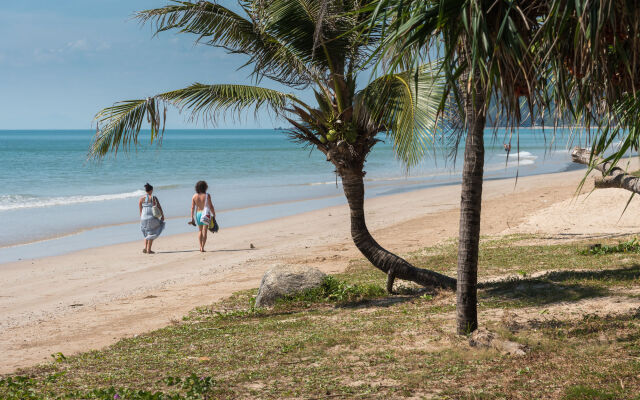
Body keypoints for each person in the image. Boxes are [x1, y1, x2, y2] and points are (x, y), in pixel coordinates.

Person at [139, 183, 165, 254]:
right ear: (151, 190)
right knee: (152, 232)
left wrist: (141, 218)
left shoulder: (141, 198)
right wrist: (162, 215)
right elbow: (159, 206)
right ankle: (149, 250)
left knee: (146, 233)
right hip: (151, 216)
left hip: (143, 217)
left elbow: (140, 210)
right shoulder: (153, 198)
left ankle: (145, 247)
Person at [190, 180, 215, 252]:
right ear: (205, 187)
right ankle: (202, 247)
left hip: (198, 214)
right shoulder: (207, 195)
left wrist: (192, 217)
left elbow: (192, 208)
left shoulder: (194, 196)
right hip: (206, 214)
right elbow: (211, 206)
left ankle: (200, 246)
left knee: (200, 231)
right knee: (205, 231)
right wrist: (214, 214)